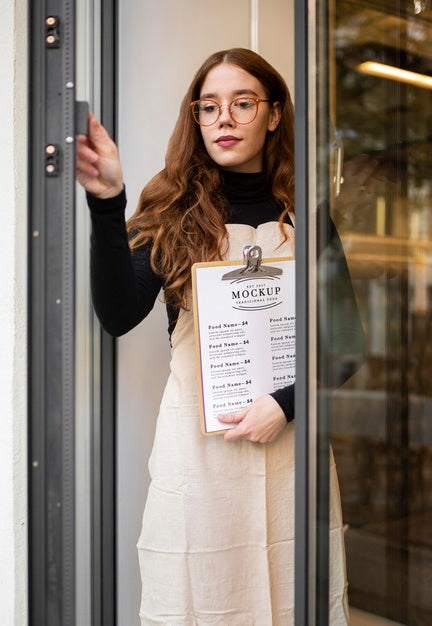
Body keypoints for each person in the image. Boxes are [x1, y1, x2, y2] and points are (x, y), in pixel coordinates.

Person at [77, 48, 351, 625]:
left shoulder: (307, 212)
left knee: (294, 592)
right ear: (196, 119)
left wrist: (286, 405)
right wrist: (107, 205)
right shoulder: (172, 209)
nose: (223, 118)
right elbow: (119, 313)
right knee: (198, 596)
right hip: (200, 457)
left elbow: (346, 342)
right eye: (209, 107)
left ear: (273, 114)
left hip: (290, 448)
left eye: (242, 103)